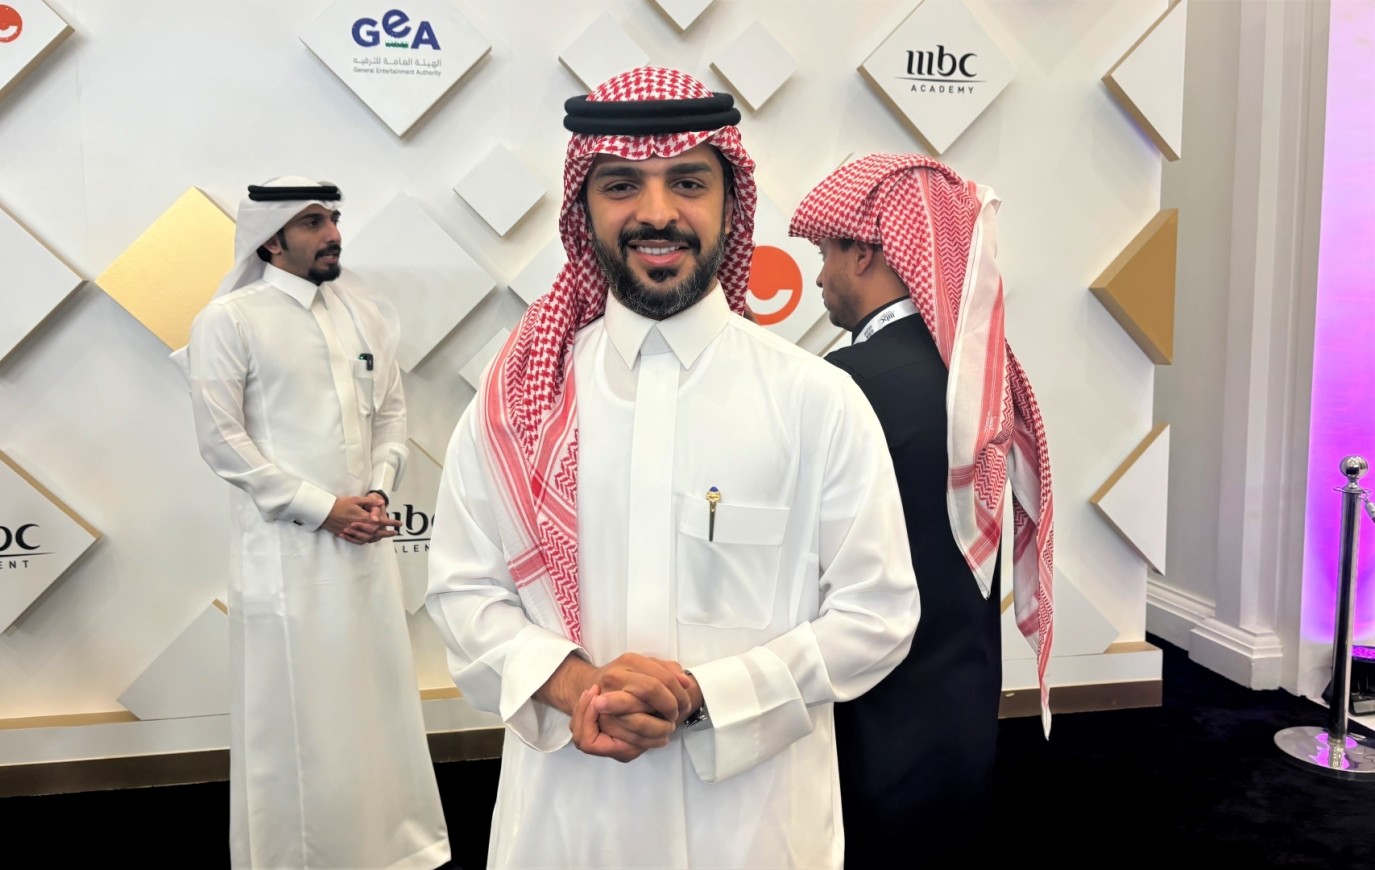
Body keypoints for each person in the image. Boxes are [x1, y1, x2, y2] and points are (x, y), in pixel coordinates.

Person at [425, 69, 920, 869]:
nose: (656, 212)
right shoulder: (514, 402)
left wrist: (699, 696)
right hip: (569, 825)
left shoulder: (816, 400)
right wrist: (576, 688)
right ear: (583, 209)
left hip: (754, 831)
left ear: (730, 202)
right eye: (621, 185)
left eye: (688, 182)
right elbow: (463, 593)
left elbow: (876, 614)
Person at [788, 154, 1056, 864]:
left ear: (865, 252)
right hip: (960, 697)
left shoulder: (842, 384)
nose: (819, 277)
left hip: (865, 708)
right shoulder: (980, 380)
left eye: (825, 254)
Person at [185, 177, 449, 869]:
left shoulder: (362, 311)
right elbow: (222, 441)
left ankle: (393, 848)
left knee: (374, 702)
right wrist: (323, 508)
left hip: (364, 544)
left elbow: (390, 414)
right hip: (287, 555)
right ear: (270, 240)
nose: (332, 233)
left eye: (332, 218)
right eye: (312, 222)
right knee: (300, 716)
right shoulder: (230, 319)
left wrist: (377, 490)